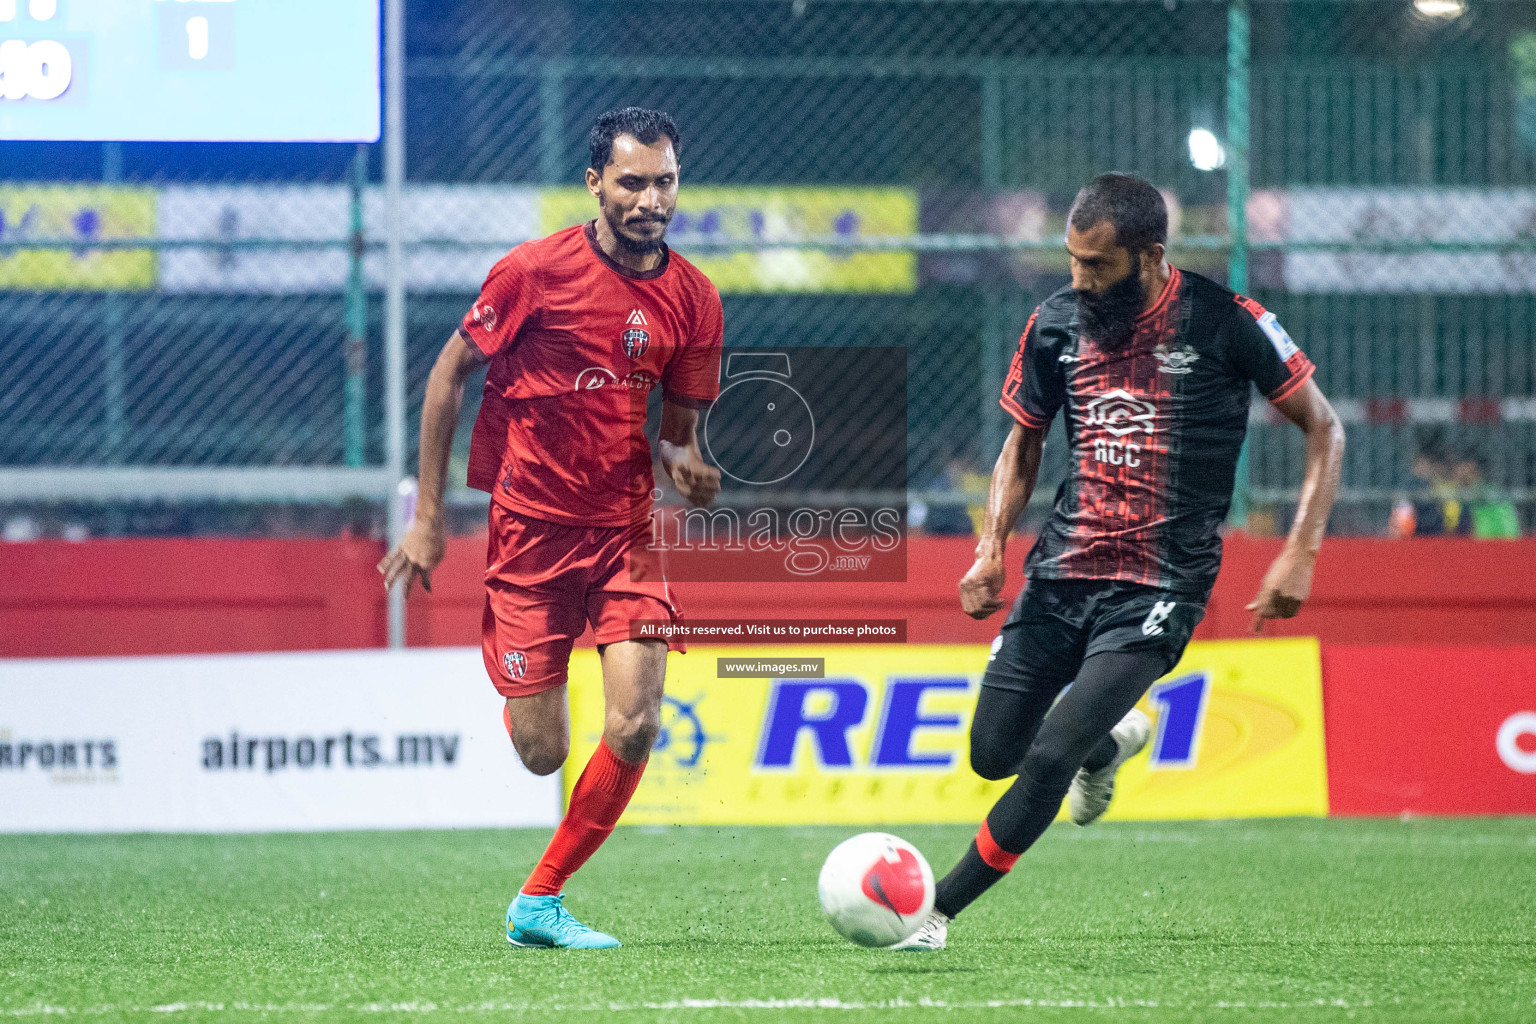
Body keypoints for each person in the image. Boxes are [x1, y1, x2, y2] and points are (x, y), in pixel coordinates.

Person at [895, 173, 1345, 951]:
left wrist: (1299, 553)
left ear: (1151, 255)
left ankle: (935, 912)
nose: (1079, 279)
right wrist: (990, 546)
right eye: (1072, 261)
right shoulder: (1055, 323)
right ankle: (1113, 741)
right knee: (992, 751)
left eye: (1097, 265)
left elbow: (1325, 430)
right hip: (1063, 570)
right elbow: (1025, 441)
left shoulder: (1226, 320)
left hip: (1161, 585)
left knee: (1046, 756)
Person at [377, 107, 723, 949]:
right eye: (633, 181)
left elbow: (677, 431)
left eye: (665, 181)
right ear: (595, 183)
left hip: (625, 533)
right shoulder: (532, 272)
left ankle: (540, 898)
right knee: (542, 753)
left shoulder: (695, 302)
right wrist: (428, 519)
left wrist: (686, 460)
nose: (651, 199)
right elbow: (448, 376)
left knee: (636, 724)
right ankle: (524, 685)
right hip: (530, 533)